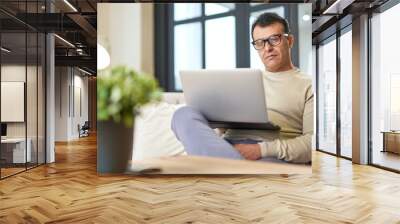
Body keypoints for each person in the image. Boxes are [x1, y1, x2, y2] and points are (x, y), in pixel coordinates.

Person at [171, 12, 313, 163]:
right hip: (226, 146)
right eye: (259, 43)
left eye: (274, 39)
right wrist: (219, 120)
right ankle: (229, 166)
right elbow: (220, 130)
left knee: (263, 167)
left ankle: (219, 166)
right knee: (183, 115)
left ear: (289, 40)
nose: (267, 48)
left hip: (268, 154)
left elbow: (313, 143)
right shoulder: (242, 81)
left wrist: (261, 150)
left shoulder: (308, 84)